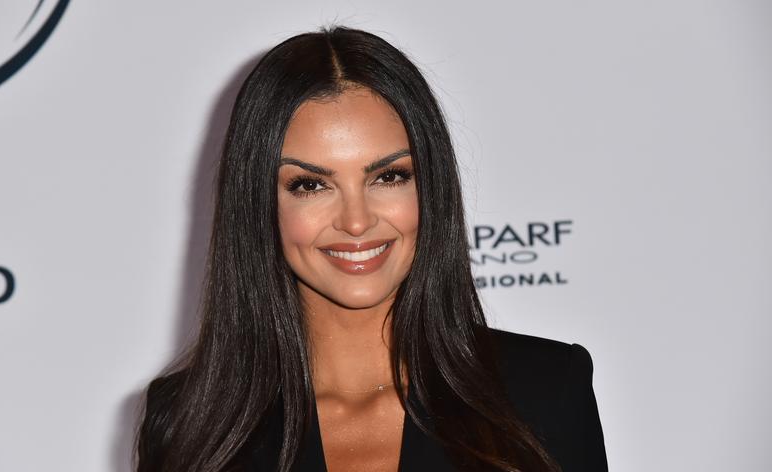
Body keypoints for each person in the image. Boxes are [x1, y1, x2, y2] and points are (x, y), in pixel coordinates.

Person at [135, 26, 608, 472]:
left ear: (430, 186)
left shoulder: (545, 392)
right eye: (310, 185)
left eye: (388, 176)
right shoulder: (186, 423)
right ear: (257, 203)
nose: (356, 221)